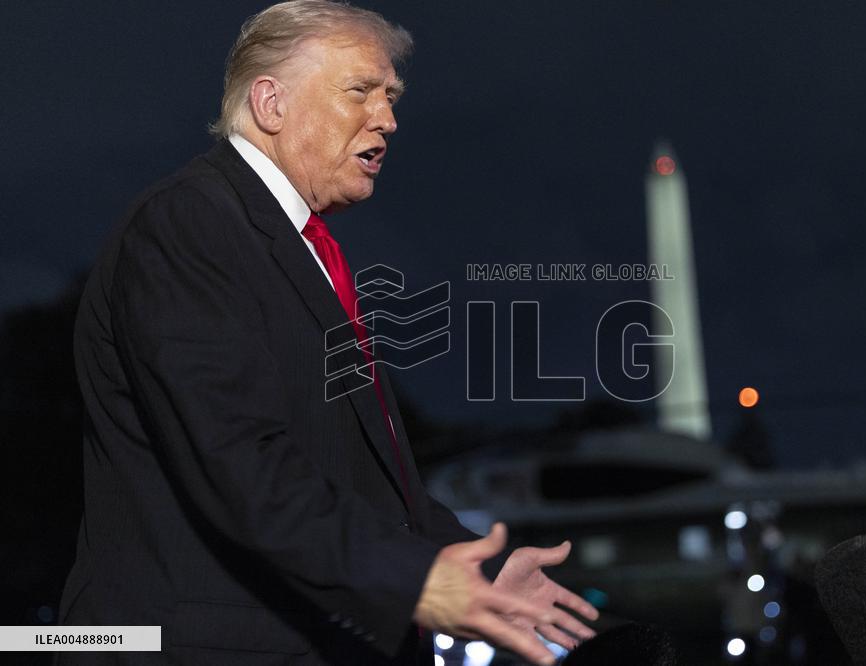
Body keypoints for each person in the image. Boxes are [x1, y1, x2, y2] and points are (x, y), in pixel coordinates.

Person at [57, 2, 597, 665]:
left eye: (392, 98)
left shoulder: (302, 251)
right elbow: (241, 463)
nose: (389, 119)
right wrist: (415, 582)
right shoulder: (188, 226)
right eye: (360, 92)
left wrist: (472, 571)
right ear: (271, 103)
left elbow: (354, 486)